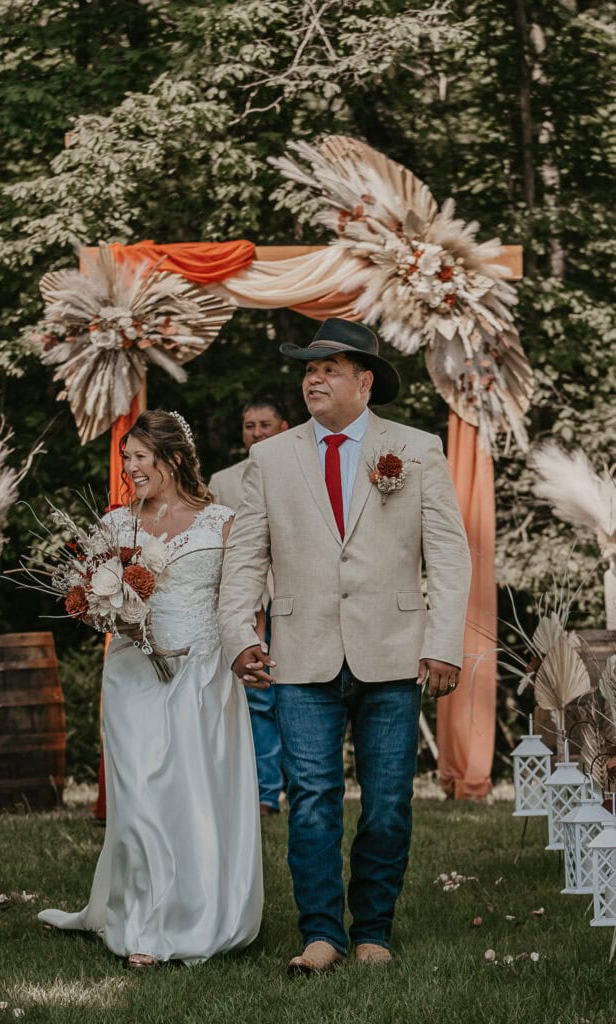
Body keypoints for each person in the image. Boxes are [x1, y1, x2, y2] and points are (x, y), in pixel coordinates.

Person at [218, 318, 471, 974]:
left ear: (364, 381)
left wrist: (443, 643)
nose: (314, 379)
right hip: (299, 654)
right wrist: (241, 635)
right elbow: (245, 556)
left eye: (328, 368)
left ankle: (374, 932)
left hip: (392, 651)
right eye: (307, 370)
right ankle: (322, 934)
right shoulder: (269, 458)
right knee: (310, 800)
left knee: (388, 801)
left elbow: (447, 555)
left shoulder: (414, 450)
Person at [38, 410, 263, 968]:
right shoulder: (116, 525)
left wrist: (245, 651)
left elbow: (240, 602)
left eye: (140, 457)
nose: (131, 468)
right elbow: (87, 608)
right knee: (138, 796)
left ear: (175, 459)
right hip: (132, 673)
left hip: (202, 674)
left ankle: (199, 914)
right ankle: (142, 923)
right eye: (126, 459)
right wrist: (106, 611)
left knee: (192, 796)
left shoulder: (222, 523)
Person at [209, 398, 289, 816]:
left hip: (298, 598)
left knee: (300, 692)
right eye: (249, 425)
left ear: (283, 427)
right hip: (253, 602)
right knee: (258, 696)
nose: (256, 432)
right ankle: (263, 792)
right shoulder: (222, 482)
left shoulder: (299, 466)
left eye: (264, 424)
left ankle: (303, 785)